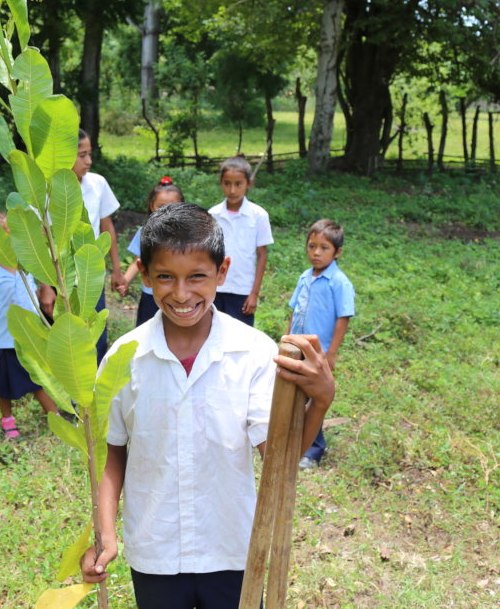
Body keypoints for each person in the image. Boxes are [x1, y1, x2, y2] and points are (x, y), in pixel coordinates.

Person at [79, 202, 335, 608]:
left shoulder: (253, 353)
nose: (182, 294)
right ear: (144, 275)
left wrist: (320, 402)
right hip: (155, 549)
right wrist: (105, 535)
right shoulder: (123, 358)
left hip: (232, 549)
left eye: (197, 276)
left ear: (222, 271)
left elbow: (279, 462)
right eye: (165, 277)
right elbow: (113, 456)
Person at [0, 216, 58, 439]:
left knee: (38, 380)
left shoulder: (25, 266)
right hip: (3, 341)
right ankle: (7, 419)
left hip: (28, 338)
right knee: (3, 386)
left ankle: (55, 416)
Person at [287, 219, 355, 470]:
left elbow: (343, 318)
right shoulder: (305, 277)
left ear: (337, 252)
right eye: (311, 246)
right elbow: (294, 312)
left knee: (313, 398)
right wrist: (286, 340)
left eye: (324, 248)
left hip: (318, 352)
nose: (316, 252)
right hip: (296, 348)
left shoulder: (339, 282)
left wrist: (331, 353)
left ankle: (314, 450)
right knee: (293, 395)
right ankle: (294, 439)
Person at [63, 128, 125, 361]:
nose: (88, 161)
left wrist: (116, 270)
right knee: (67, 340)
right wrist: (46, 287)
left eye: (90, 154)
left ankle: (93, 393)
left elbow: (107, 227)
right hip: (62, 279)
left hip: (91, 275)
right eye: (82, 155)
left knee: (95, 336)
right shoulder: (48, 191)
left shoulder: (97, 184)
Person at [208, 157, 273, 327]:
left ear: (249, 183)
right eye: (227, 183)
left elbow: (262, 255)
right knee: (212, 333)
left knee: (240, 338)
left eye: (238, 184)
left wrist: (254, 294)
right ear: (221, 183)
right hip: (215, 288)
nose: (232, 190)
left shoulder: (258, 215)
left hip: (242, 290)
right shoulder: (213, 215)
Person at [116, 175, 185, 326]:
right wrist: (125, 280)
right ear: (152, 206)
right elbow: (137, 261)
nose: (167, 212)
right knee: (147, 332)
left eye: (173, 206)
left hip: (177, 296)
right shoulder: (144, 232)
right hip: (150, 295)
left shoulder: (187, 236)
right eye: (161, 207)